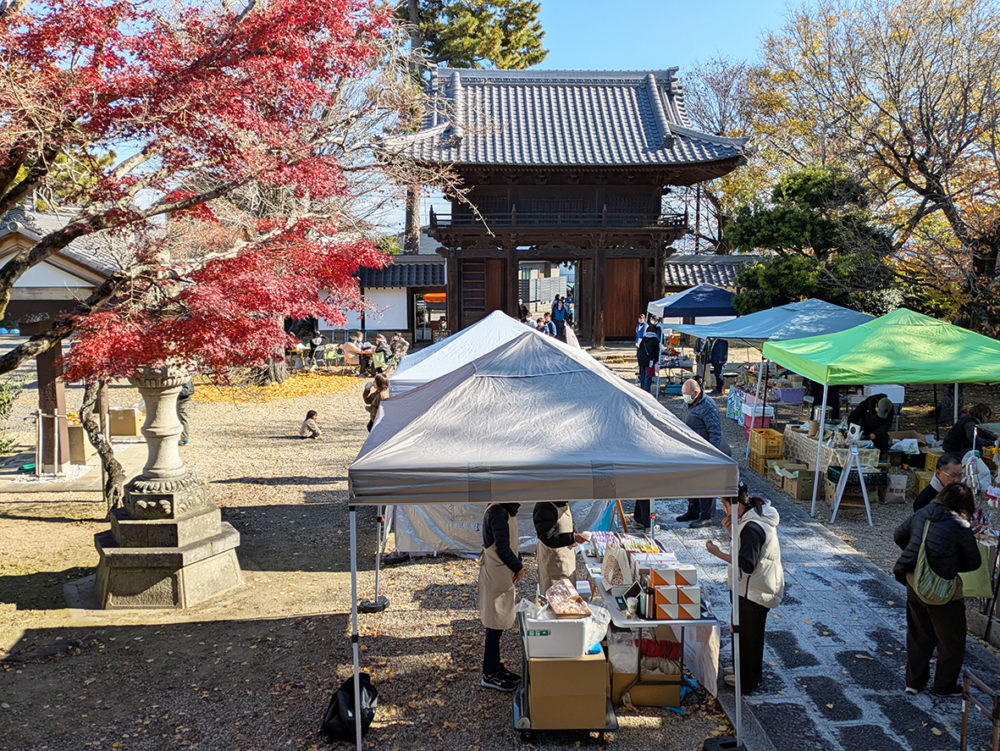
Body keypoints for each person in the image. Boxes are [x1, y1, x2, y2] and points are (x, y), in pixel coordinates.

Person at [893, 482, 981, 697]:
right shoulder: (960, 525)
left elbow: (898, 535)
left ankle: (914, 682)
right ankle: (944, 686)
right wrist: (950, 563)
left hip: (915, 580)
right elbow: (973, 562)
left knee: (918, 634)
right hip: (943, 590)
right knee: (951, 640)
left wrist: (917, 553)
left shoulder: (923, 512)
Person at [705, 481, 784, 693]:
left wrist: (717, 552)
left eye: (723, 505)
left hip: (754, 590)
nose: (722, 509)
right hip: (753, 586)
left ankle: (747, 681)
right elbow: (743, 548)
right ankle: (746, 671)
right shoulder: (750, 517)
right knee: (746, 633)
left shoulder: (752, 526)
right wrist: (730, 531)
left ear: (736, 504)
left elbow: (746, 563)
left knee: (748, 635)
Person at [479, 503, 523, 692]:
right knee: (494, 624)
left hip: (501, 574)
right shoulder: (497, 512)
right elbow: (503, 549)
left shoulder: (504, 510)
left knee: (497, 623)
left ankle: (495, 666)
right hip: (497, 574)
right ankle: (489, 673)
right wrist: (518, 566)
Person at [677, 378, 725, 527]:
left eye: (686, 394)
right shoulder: (689, 402)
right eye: (683, 393)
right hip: (691, 450)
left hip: (705, 451)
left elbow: (715, 432)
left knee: (705, 484)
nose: (684, 397)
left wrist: (712, 455)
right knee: (691, 482)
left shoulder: (708, 406)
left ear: (696, 393)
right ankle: (693, 510)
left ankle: (706, 516)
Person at [532, 502, 588, 594]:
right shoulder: (544, 506)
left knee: (569, 591)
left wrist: (574, 534)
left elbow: (569, 522)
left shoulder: (563, 502)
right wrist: (572, 537)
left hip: (567, 555)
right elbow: (548, 537)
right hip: (553, 560)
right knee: (555, 595)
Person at [637, 325, 659, 393]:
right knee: (648, 377)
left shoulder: (643, 339)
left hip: (641, 361)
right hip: (650, 361)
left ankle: (642, 391)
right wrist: (656, 360)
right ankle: (646, 393)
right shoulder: (655, 340)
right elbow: (656, 352)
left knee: (642, 376)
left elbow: (639, 351)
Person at [177, 377, 194, 446]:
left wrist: (175, 391)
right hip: (180, 399)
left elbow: (187, 390)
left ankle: (184, 439)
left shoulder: (186, 376)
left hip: (182, 399)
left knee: (183, 418)